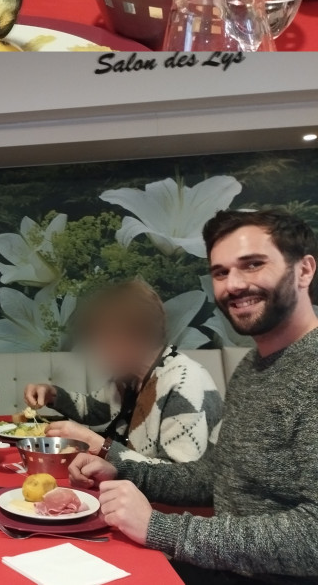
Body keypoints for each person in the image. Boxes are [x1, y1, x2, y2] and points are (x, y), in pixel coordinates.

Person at [69, 209, 318, 585]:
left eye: (252, 265)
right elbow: (217, 476)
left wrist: (159, 528)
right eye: (220, 272)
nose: (233, 285)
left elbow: (313, 537)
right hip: (222, 562)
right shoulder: (254, 366)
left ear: (303, 271)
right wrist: (122, 468)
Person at [23, 279, 222, 466]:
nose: (98, 351)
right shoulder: (131, 376)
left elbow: (182, 479)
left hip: (172, 502)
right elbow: (94, 409)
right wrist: (53, 394)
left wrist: (100, 446)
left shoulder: (183, 382)